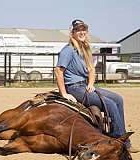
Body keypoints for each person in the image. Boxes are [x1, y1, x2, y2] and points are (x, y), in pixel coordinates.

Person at [54, 19, 139, 153]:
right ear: (73, 33)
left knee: (118, 99)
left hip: (84, 85)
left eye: (84, 29)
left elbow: (91, 70)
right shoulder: (69, 50)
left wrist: (91, 84)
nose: (81, 32)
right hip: (74, 87)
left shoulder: (84, 49)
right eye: (78, 30)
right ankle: (119, 140)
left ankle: (121, 136)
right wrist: (64, 93)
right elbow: (58, 70)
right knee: (109, 104)